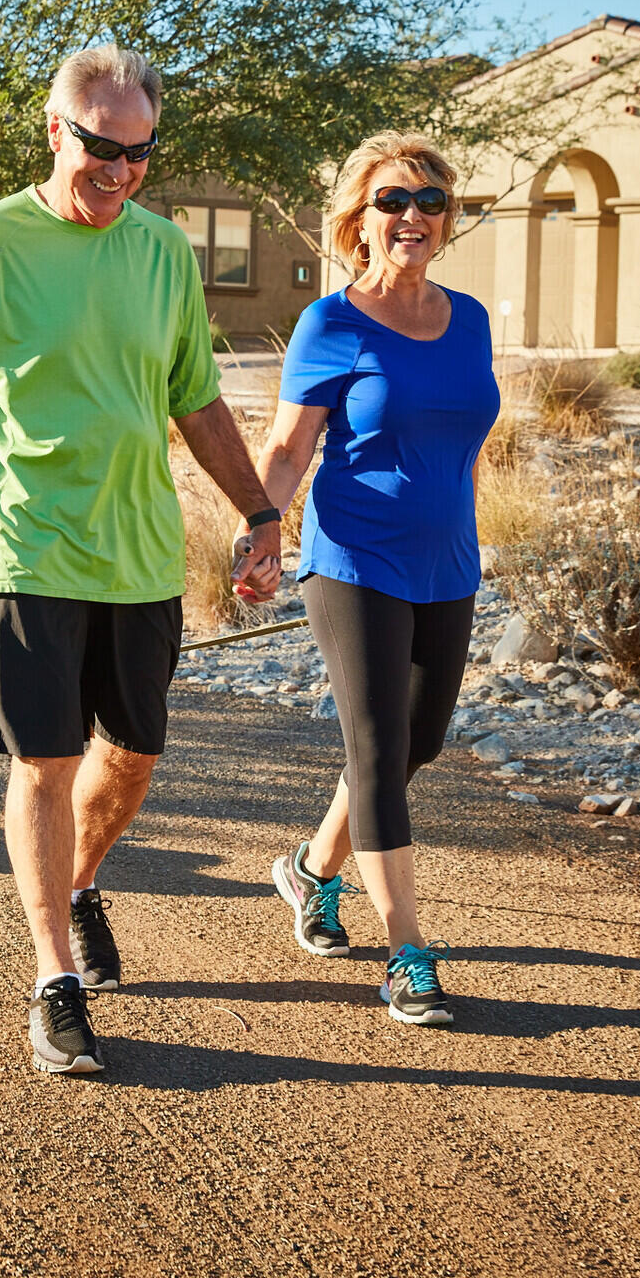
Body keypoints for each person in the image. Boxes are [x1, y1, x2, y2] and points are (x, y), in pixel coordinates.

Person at [0, 44, 282, 1076]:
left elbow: (195, 398)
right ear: (57, 131)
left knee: (134, 753)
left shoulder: (163, 251)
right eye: (104, 148)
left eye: (140, 153)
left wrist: (259, 510)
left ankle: (78, 879)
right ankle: (54, 977)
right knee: (45, 761)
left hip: (140, 551)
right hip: (29, 544)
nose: (121, 171)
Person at [252, 130, 498, 1026]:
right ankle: (407, 955)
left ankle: (311, 869)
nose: (411, 216)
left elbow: (466, 440)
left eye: (430, 201)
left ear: (447, 219)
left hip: (448, 561)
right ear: (358, 220)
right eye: (392, 201)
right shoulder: (333, 323)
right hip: (354, 557)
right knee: (378, 748)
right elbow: (289, 449)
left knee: (417, 742)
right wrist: (258, 529)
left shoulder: (469, 319)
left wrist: (467, 529)